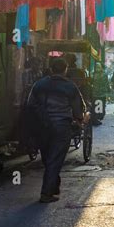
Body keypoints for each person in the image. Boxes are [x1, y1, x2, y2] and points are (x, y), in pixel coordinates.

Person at [27, 57, 86, 203]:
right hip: (61, 127)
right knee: (55, 159)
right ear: (65, 70)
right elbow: (78, 110)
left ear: (51, 69)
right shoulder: (70, 87)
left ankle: (53, 187)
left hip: (42, 127)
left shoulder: (39, 85)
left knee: (48, 158)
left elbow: (30, 104)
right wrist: (79, 121)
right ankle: (46, 193)